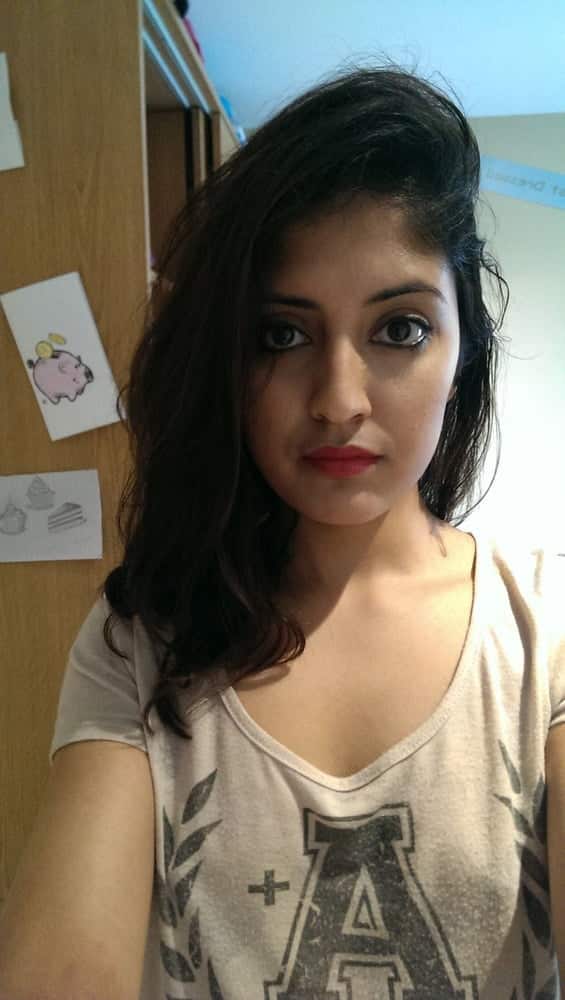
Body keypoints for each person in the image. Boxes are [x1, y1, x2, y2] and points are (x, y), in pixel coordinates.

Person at [0, 59, 563, 1000]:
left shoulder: (545, 624)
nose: (339, 400)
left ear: (463, 351)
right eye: (281, 335)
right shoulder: (140, 639)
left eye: (399, 329)